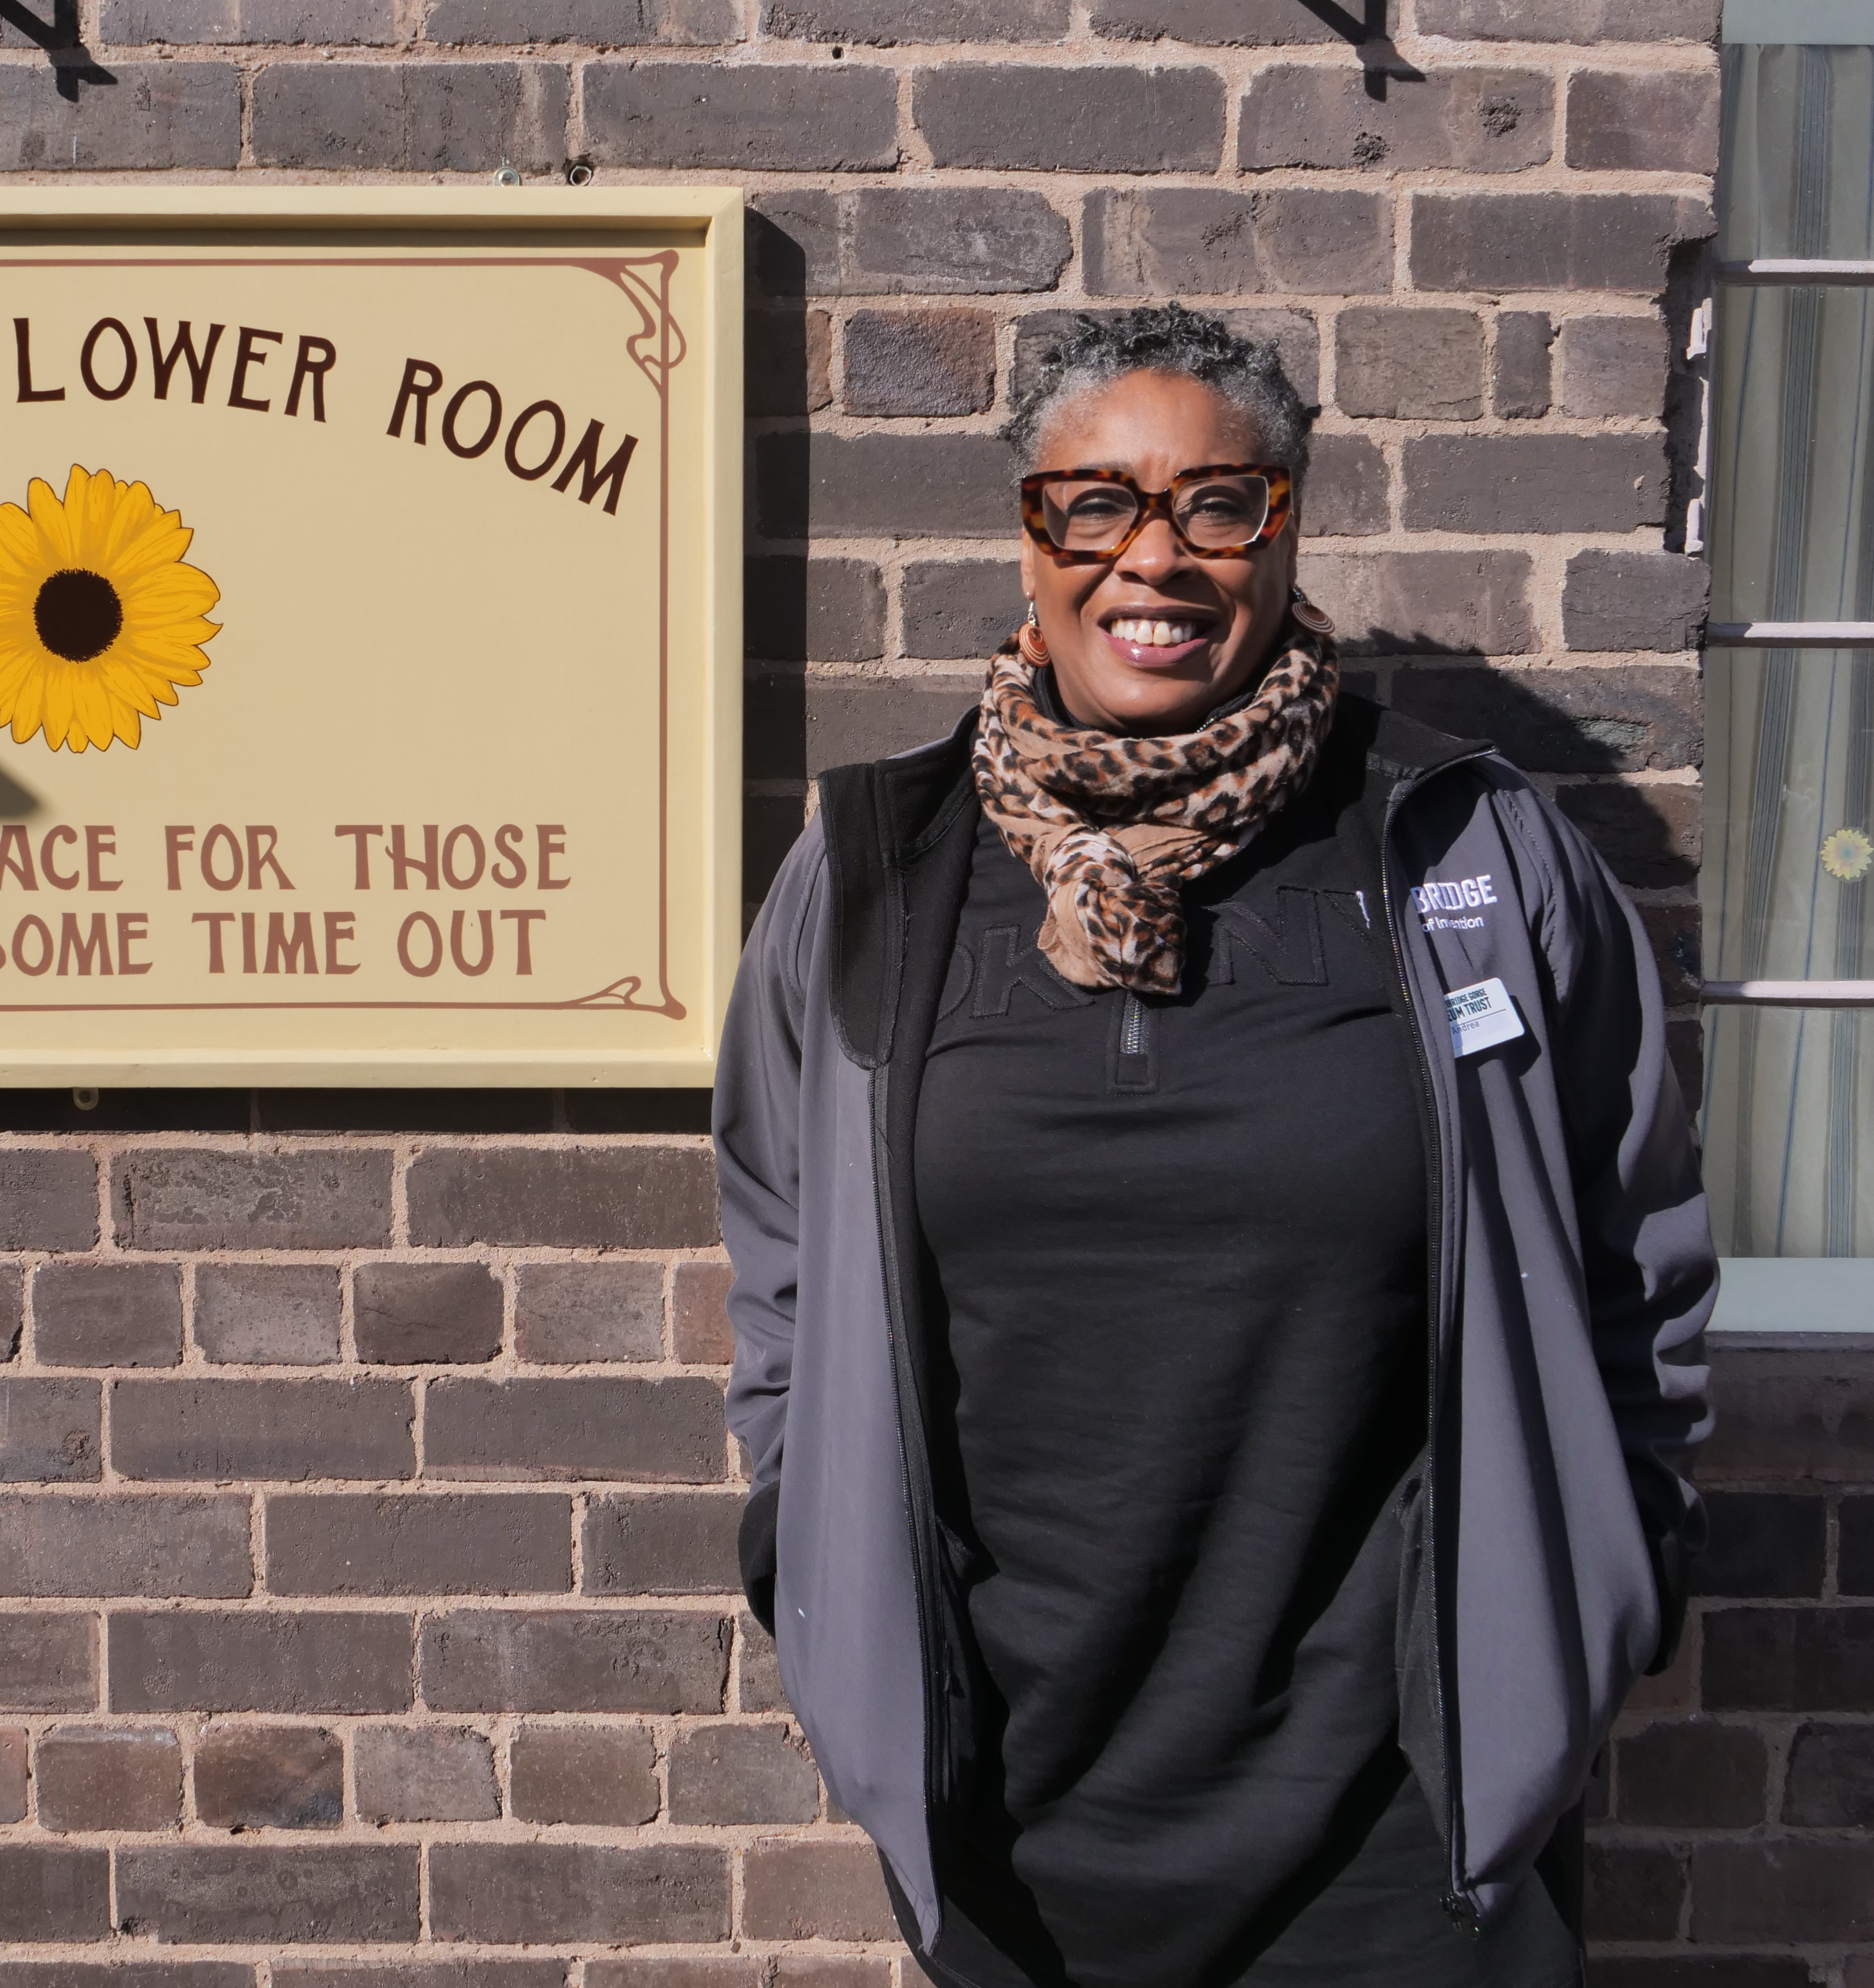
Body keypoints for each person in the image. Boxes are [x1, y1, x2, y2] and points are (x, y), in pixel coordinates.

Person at [712, 305, 1715, 1988]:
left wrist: (1622, 1575)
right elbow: (779, 1240)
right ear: (1029, 534)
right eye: (1093, 504)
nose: (1151, 559)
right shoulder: (887, 867)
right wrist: (794, 1549)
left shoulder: (1466, 850)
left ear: (1287, 524)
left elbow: (1637, 1247)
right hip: (1009, 1804)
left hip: (1407, 1811)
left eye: (1216, 504)